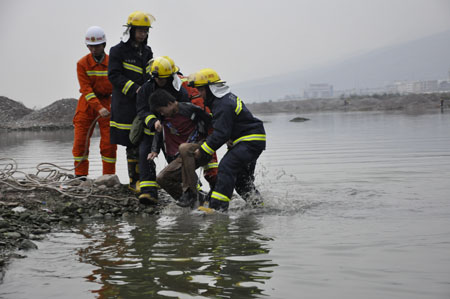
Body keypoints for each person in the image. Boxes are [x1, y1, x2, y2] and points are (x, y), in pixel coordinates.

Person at [188, 68, 266, 211]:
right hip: (251, 140)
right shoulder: (223, 100)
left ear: (210, 88)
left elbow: (220, 134)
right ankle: (258, 206)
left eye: (201, 90)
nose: (199, 94)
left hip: (249, 141)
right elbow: (227, 129)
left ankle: (217, 209)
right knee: (241, 180)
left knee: (226, 167)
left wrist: (203, 150)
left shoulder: (223, 104)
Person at [108, 11, 155, 192]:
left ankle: (145, 178)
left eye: (145, 31)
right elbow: (113, 75)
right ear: (131, 30)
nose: (142, 34)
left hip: (143, 104)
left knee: (144, 141)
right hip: (125, 104)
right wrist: (135, 88)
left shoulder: (148, 51)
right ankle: (134, 179)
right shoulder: (117, 51)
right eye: (139, 31)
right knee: (131, 142)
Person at [135, 56, 190, 205]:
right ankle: (148, 194)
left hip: (172, 134)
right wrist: (153, 121)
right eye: (157, 79)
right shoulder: (146, 88)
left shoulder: (179, 90)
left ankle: (191, 190)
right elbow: (142, 110)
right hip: (151, 131)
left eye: (163, 79)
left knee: (176, 161)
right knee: (145, 157)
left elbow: (184, 111)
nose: (160, 81)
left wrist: (170, 123)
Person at [148, 88, 214, 208]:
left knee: (183, 147)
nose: (162, 114)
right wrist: (154, 149)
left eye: (162, 111)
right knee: (162, 178)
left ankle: (190, 192)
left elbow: (212, 125)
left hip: (200, 149)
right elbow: (159, 131)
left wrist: (212, 144)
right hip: (183, 155)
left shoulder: (190, 109)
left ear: (169, 104)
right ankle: (197, 202)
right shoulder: (162, 117)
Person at [72, 26, 117, 179]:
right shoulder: (82, 64)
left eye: (96, 46)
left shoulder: (113, 62)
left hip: (107, 102)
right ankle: (80, 176)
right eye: (90, 46)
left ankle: (109, 176)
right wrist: (99, 108)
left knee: (109, 144)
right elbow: (86, 89)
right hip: (87, 104)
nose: (93, 49)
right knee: (80, 142)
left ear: (103, 45)